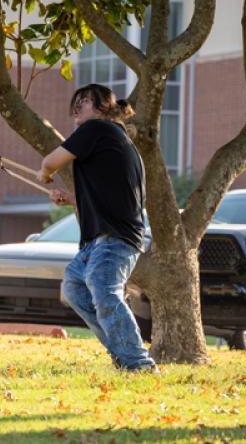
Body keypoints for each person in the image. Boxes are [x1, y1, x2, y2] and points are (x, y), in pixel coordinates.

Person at [36, 83, 157, 372]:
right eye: (75, 101)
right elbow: (108, 191)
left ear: (103, 107)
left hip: (114, 238)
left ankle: (138, 363)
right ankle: (123, 354)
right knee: (76, 287)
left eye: (85, 101)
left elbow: (50, 162)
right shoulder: (111, 136)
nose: (77, 106)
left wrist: (44, 172)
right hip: (101, 239)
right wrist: (71, 198)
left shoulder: (96, 129)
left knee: (104, 291)